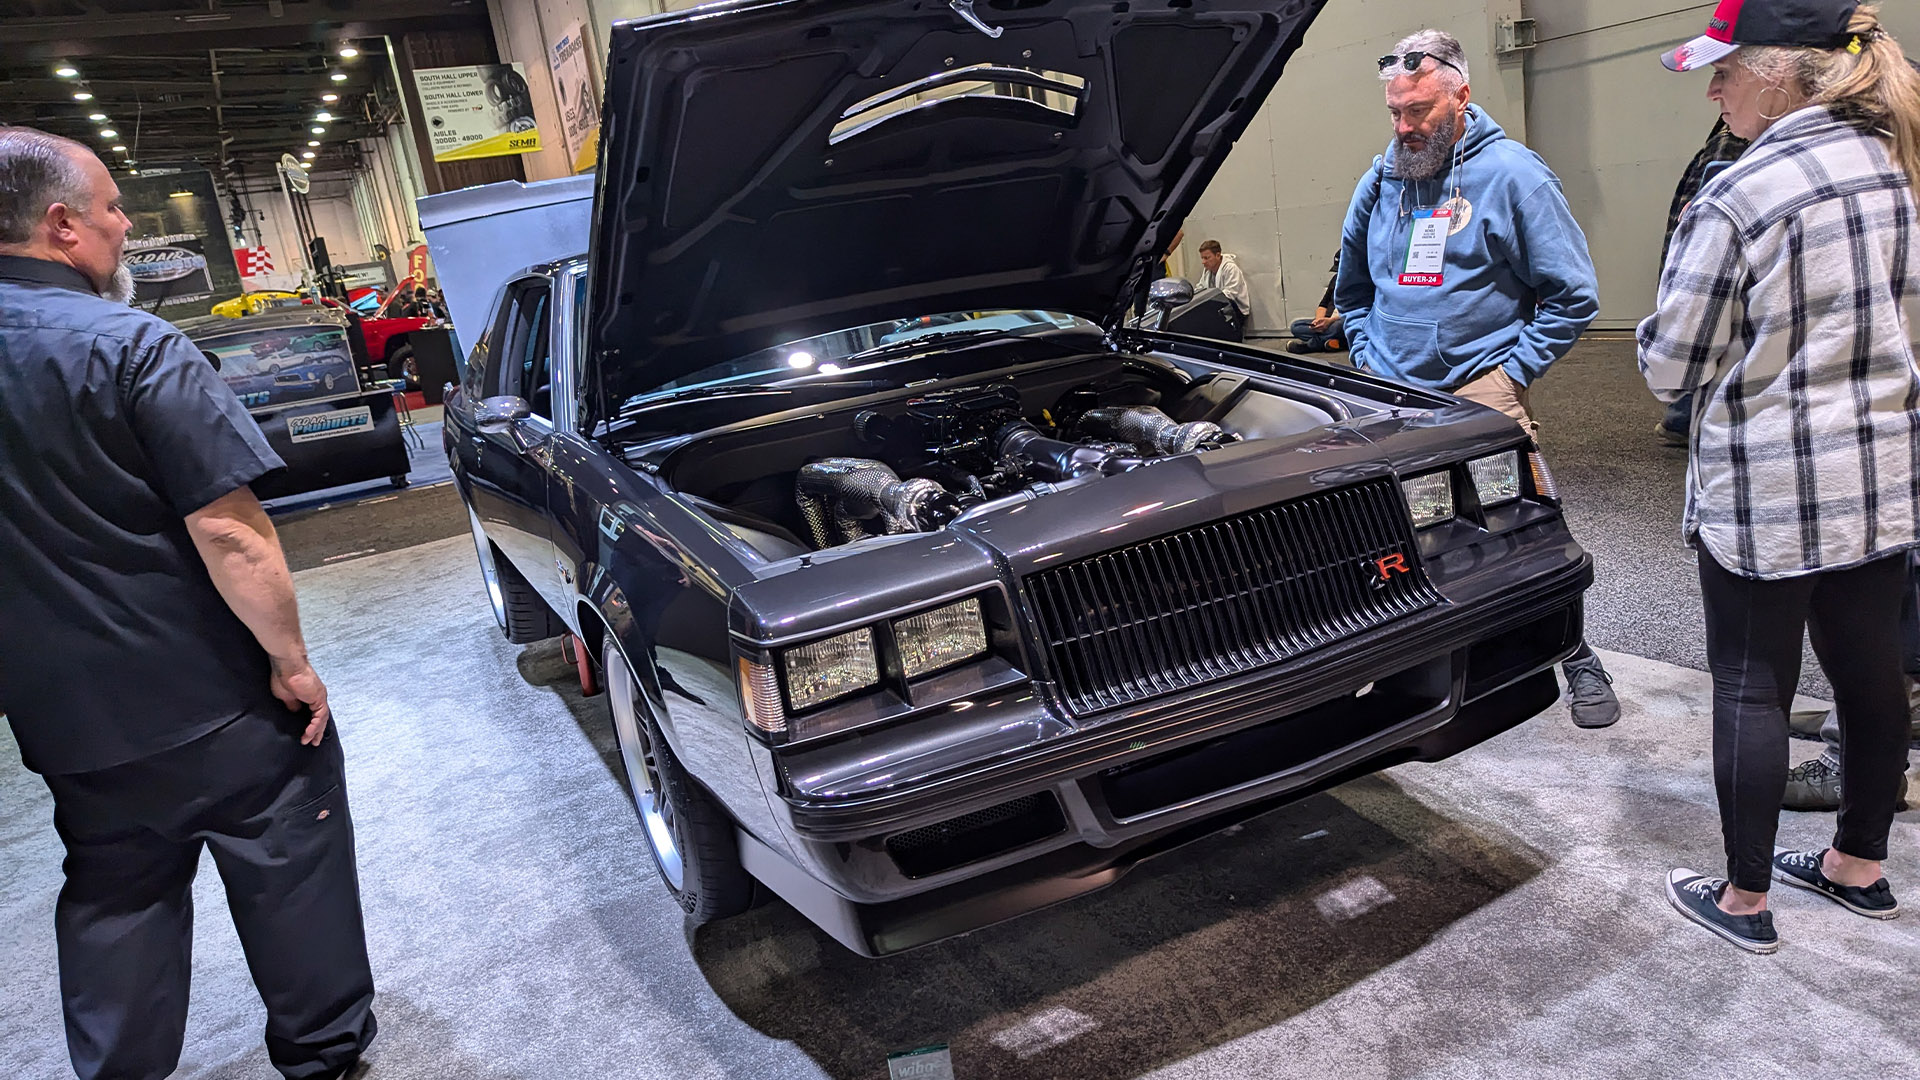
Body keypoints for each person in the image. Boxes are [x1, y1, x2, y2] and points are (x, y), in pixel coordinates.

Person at [0, 127, 377, 1076]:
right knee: (289, 856)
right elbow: (230, 532)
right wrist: (291, 664)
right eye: (115, 208)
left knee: (115, 889)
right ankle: (323, 1051)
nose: (128, 227)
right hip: (210, 698)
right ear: (62, 227)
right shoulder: (131, 346)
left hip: (65, 721)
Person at [1638, 0, 1920, 953]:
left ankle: (1745, 902)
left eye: (1723, 70)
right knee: (1870, 673)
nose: (1711, 89)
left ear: (1779, 72)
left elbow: (1671, 367)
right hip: (1878, 473)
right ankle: (1859, 869)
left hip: (1767, 488)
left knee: (1754, 684)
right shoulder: (1895, 163)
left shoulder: (1741, 192)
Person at [1333, 28, 1621, 729]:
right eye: (1396, 113)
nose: (1405, 127)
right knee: (1398, 531)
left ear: (1462, 95)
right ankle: (1425, 654)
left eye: (1421, 112)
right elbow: (1352, 291)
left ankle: (1575, 652)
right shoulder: (1382, 182)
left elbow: (1573, 295)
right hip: (1391, 391)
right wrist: (1368, 359)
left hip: (1476, 388)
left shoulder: (1515, 175)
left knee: (1521, 525)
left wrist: (1509, 373)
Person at [1654, 119, 1751, 445]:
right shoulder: (1735, 138)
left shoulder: (1731, 138)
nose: (1714, 92)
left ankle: (1684, 417)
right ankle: (1684, 417)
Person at [1288, 254, 1345, 354]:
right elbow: (1323, 304)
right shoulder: (1335, 279)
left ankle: (1310, 346)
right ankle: (1338, 342)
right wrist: (1319, 321)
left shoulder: (1360, 283)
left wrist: (1330, 321)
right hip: (1327, 322)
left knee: (1339, 325)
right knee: (1296, 326)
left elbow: (1354, 311)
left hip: (1339, 321)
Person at [1196, 239, 1251, 328]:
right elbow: (1201, 287)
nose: (1203, 262)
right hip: (1218, 307)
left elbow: (1231, 294)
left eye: (1206, 258)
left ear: (1218, 255)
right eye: (1202, 258)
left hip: (1236, 310)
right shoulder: (1207, 270)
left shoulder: (1231, 269)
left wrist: (1209, 301)